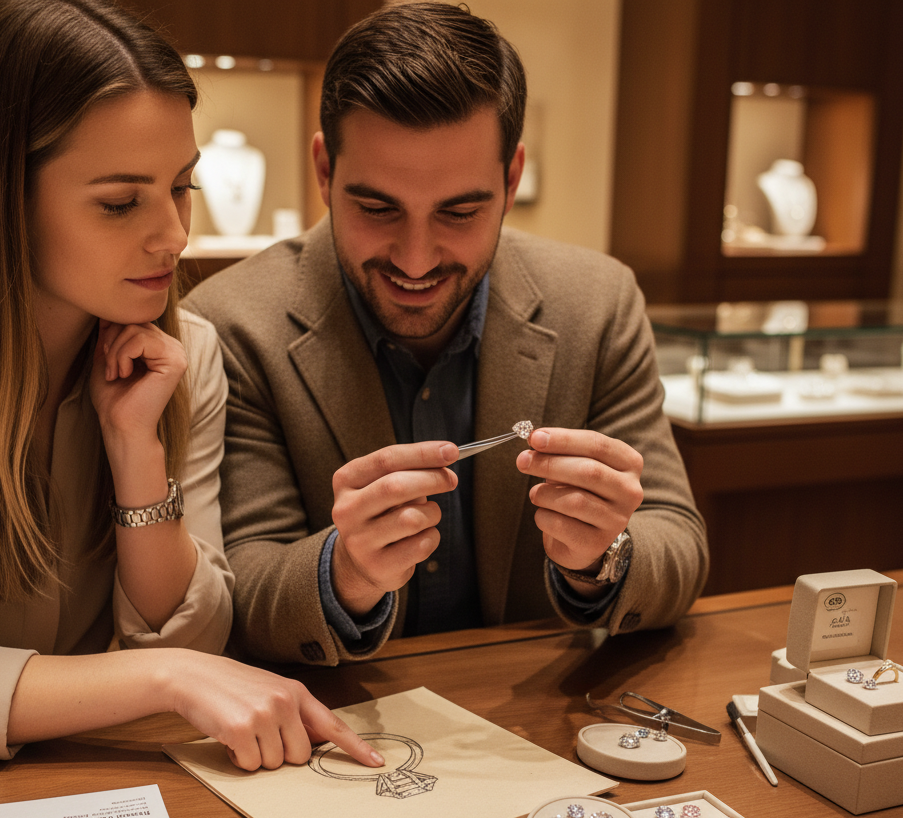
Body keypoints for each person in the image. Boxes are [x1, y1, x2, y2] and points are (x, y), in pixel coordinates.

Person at [0, 0, 381, 772]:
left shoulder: (188, 355)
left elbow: (193, 636)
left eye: (182, 188)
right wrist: (164, 678)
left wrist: (135, 450)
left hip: (73, 787)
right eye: (120, 203)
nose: (174, 237)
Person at [183, 1, 708, 666]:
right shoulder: (230, 324)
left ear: (511, 179)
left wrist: (605, 555)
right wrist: (344, 572)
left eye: (459, 212)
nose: (416, 258)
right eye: (377, 208)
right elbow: (238, 588)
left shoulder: (597, 305)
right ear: (324, 171)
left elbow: (680, 543)